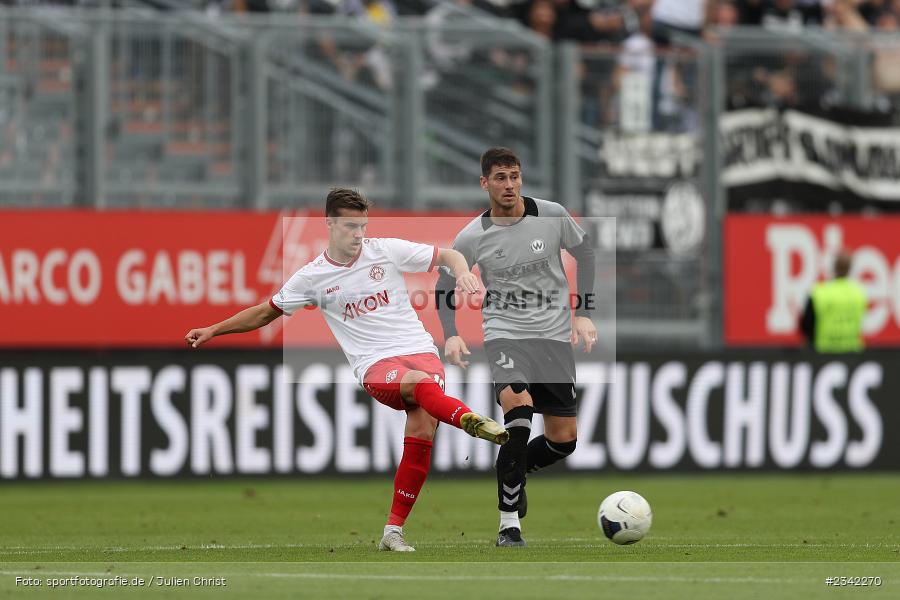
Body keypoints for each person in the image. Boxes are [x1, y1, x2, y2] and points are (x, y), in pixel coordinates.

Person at [185, 188, 508, 553]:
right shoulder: (313, 277)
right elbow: (264, 312)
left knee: (422, 427)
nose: (359, 234)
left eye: (363, 226)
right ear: (330, 224)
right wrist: (214, 329)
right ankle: (466, 418)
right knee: (418, 388)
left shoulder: (383, 250)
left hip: (421, 351)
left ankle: (393, 531)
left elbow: (448, 255)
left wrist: (463, 271)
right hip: (374, 365)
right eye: (351, 226)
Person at [435, 147, 597, 547]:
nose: (509, 185)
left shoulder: (552, 214)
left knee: (564, 441)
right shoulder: (473, 235)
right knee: (519, 412)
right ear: (484, 183)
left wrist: (584, 312)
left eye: (514, 176)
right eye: (500, 178)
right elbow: (443, 285)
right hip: (505, 334)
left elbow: (586, 253)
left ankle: (514, 468)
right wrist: (451, 333)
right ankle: (509, 525)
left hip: (554, 337)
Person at [798, 249, 867, 353]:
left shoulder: (819, 293)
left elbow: (806, 326)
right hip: (852, 353)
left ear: (833, 268)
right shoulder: (859, 294)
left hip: (824, 352)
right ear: (850, 269)